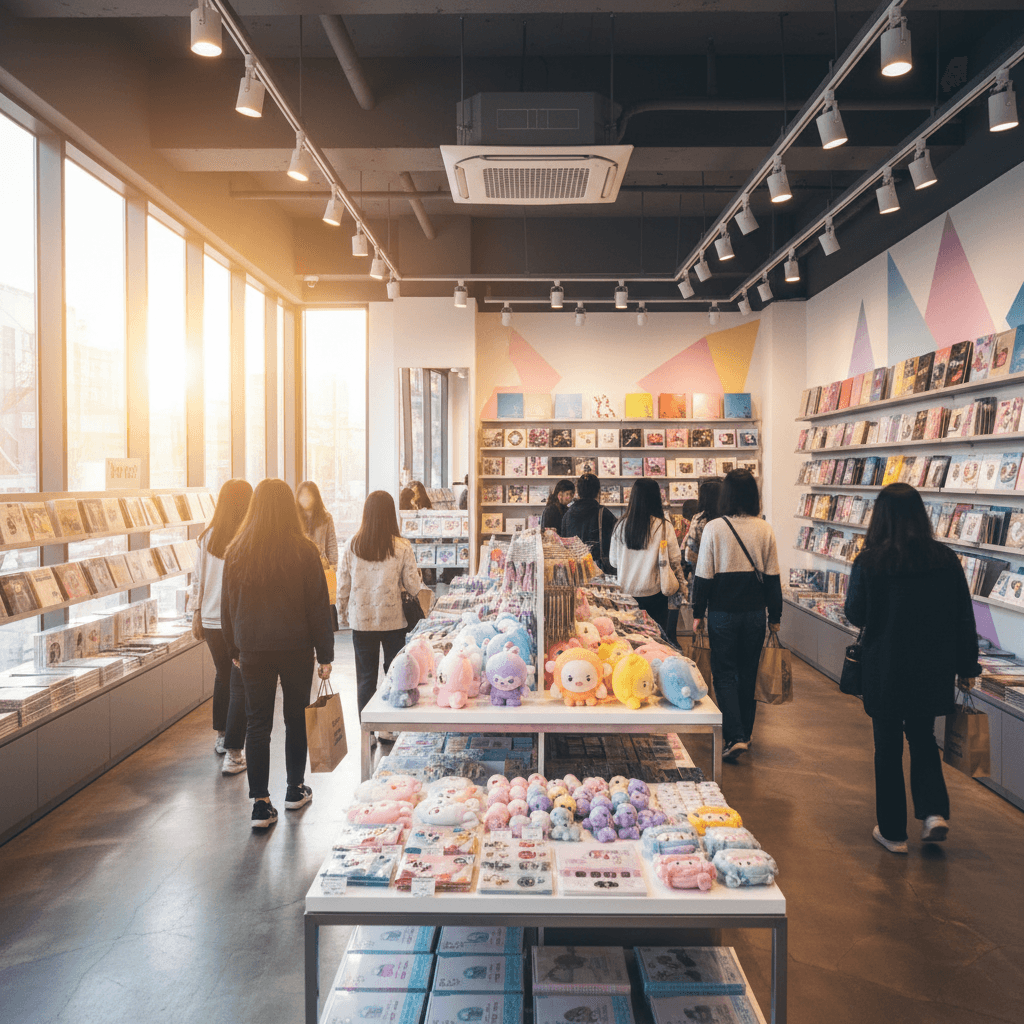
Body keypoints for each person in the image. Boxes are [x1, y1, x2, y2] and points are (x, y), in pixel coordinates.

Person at [844, 483, 980, 854]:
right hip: (932, 668)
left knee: (886, 747)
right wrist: (968, 665)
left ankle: (893, 832)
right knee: (922, 738)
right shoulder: (945, 560)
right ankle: (934, 812)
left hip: (885, 668)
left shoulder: (870, 561)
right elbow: (962, 619)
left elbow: (856, 613)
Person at [222, 479, 334, 830]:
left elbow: (227, 607)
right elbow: (318, 606)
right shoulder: (304, 550)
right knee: (295, 718)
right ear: (289, 509)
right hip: (296, 646)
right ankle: (294, 789)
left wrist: (233, 649)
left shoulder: (237, 550)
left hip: (252, 648)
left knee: (257, 724)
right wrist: (326, 653)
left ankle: (260, 803)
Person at [691, 469, 782, 762]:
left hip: (722, 613)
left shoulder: (714, 528)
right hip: (755, 612)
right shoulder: (764, 529)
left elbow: (703, 575)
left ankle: (735, 735)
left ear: (726, 495)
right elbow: (772, 577)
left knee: (724, 673)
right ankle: (746, 732)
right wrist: (775, 615)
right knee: (748, 672)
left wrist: (697, 612)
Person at [337, 490, 425, 715]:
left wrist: (342, 615)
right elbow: (414, 586)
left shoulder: (352, 545)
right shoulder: (402, 546)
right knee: (394, 673)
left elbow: (343, 585)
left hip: (362, 622)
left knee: (365, 679)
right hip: (393, 621)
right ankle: (390, 725)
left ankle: (368, 732)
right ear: (390, 514)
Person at [191, 478, 253, 776]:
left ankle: (221, 735)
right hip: (238, 619)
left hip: (212, 619)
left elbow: (198, 580)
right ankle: (233, 746)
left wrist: (196, 612)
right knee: (238, 680)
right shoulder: (248, 536)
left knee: (223, 674)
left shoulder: (207, 537)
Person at [608, 478, 685, 631]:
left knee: (630, 639)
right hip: (655, 592)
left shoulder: (621, 525)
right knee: (656, 640)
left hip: (626, 592)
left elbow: (614, 562)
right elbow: (675, 558)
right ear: (656, 498)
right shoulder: (663, 526)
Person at [296, 480, 339, 629]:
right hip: (299, 567)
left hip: (320, 567)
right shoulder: (294, 517)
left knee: (320, 606)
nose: (305, 498)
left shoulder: (325, 517)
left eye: (309, 495)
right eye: (302, 495)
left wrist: (333, 566)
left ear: (315, 496)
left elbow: (331, 542)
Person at [682, 477, 723, 575]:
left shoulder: (699, 520)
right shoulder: (729, 519)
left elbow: (689, 555)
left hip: (703, 572)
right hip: (726, 573)